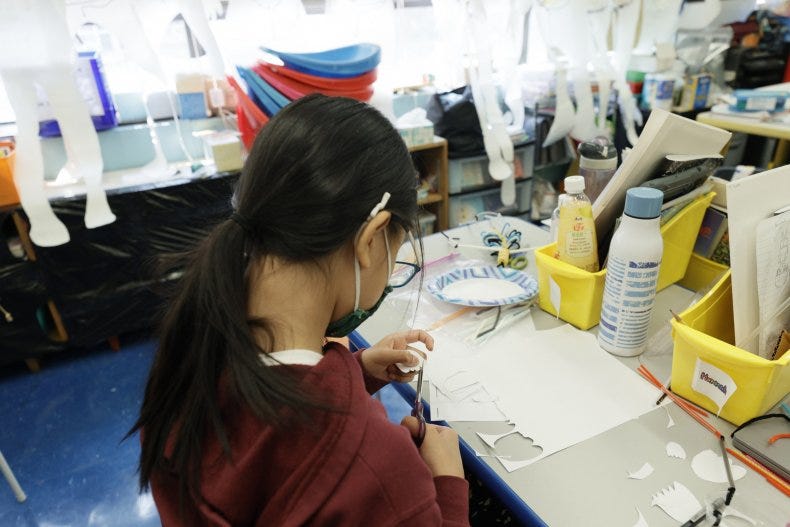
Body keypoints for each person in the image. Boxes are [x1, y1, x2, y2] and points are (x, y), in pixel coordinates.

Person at [130, 94, 469, 526]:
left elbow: (266, 436)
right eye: (398, 250)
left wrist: (357, 370)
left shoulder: (188, 357)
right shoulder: (380, 472)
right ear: (372, 239)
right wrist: (447, 484)